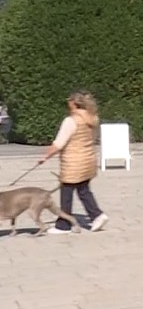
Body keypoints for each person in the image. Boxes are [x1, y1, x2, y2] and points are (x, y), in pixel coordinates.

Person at [39, 91, 109, 234]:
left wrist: (45, 156)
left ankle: (64, 225)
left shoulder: (70, 121)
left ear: (74, 103)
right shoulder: (92, 118)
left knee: (66, 192)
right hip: (88, 159)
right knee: (83, 190)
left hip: (73, 161)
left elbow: (59, 143)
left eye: (69, 100)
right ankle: (97, 215)